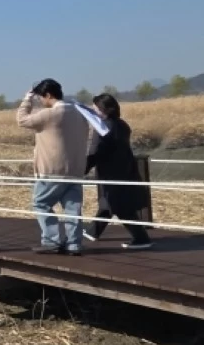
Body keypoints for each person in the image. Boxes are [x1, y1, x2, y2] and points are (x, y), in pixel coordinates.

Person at [16, 78, 91, 255]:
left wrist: (27, 99)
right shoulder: (79, 113)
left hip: (52, 171)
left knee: (41, 203)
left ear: (48, 95)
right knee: (73, 208)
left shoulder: (50, 114)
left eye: (41, 98)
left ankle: (51, 241)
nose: (41, 102)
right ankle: (74, 244)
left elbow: (21, 120)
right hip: (75, 169)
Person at [84, 94, 153, 249]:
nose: (93, 112)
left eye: (95, 109)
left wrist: (83, 169)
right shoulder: (121, 124)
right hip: (125, 168)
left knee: (120, 207)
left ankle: (142, 238)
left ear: (103, 110)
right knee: (108, 204)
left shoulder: (102, 128)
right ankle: (92, 232)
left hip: (110, 172)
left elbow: (95, 152)